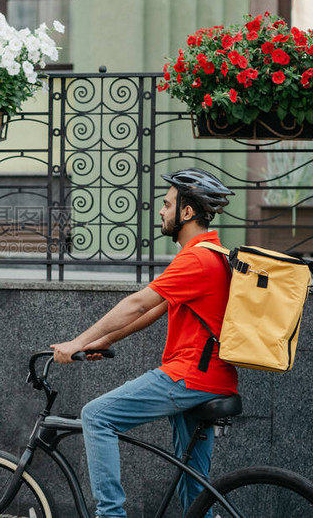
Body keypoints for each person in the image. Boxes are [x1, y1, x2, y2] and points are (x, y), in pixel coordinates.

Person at [51, 167, 238, 518]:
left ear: (187, 211)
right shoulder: (211, 254)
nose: (162, 212)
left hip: (189, 377)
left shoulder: (197, 259)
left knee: (96, 417)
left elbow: (137, 303)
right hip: (211, 379)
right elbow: (146, 317)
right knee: (195, 490)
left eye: (167, 204)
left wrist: (77, 339)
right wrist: (94, 343)